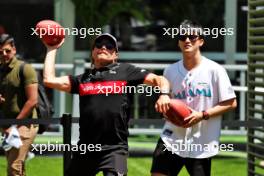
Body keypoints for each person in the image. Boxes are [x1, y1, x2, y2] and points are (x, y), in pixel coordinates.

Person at [42, 33, 171, 176]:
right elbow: (49, 80)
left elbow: (160, 79)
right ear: (92, 52)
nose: (103, 47)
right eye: (98, 45)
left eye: (109, 46)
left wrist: (164, 95)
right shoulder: (83, 79)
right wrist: (51, 49)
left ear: (115, 55)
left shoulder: (126, 71)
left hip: (114, 149)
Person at [151, 20, 237, 176]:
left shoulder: (215, 70)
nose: (187, 40)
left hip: (201, 143)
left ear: (201, 41)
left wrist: (202, 115)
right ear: (178, 43)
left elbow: (231, 103)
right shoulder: (169, 71)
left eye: (192, 37)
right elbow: (166, 104)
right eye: (183, 37)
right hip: (171, 139)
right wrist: (162, 106)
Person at [0, 34, 39, 176]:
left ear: (14, 49)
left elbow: (33, 101)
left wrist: (14, 126)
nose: (4, 54)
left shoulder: (25, 68)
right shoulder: (1, 70)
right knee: (18, 168)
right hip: (8, 125)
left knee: (14, 168)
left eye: (7, 51)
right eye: (0, 52)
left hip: (25, 124)